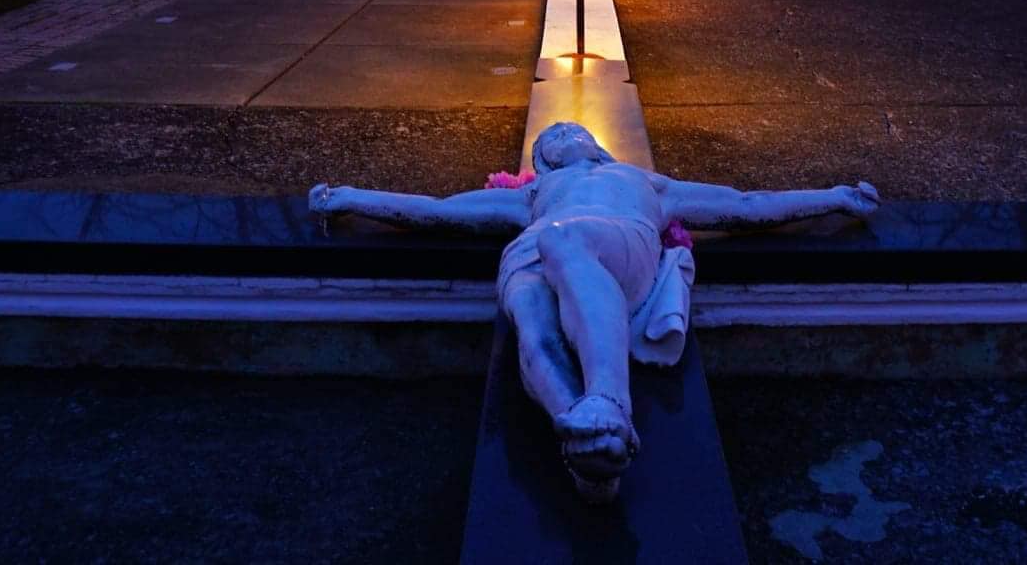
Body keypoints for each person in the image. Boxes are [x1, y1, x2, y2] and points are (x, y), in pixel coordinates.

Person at [309, 122, 878, 501]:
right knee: (528, 310)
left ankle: (610, 401)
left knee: (565, 242)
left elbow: (746, 206)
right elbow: (436, 212)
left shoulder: (647, 182)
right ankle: (586, 444)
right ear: (542, 163)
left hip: (616, 243)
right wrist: (352, 199)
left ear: (597, 144)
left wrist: (834, 198)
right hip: (537, 246)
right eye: (552, 135)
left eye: (571, 128)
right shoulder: (530, 197)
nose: (562, 131)